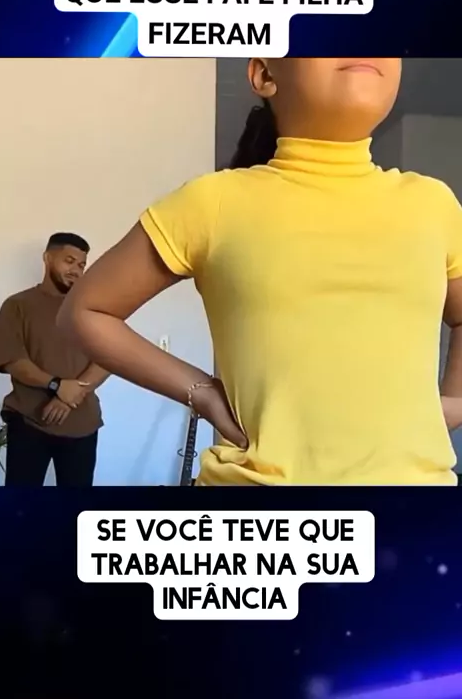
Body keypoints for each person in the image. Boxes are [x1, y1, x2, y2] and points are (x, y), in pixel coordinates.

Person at [58, 58, 462, 486]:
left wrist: (454, 398)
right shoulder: (213, 202)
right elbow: (84, 311)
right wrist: (201, 392)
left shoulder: (433, 204)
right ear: (265, 75)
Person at [0, 232, 109, 486]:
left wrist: (69, 396)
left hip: (82, 424)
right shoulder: (17, 305)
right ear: (47, 258)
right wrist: (57, 385)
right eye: (69, 261)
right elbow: (13, 360)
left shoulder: (92, 308)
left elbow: (107, 359)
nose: (76, 270)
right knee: (21, 505)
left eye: (81, 264)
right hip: (28, 421)